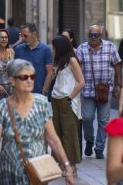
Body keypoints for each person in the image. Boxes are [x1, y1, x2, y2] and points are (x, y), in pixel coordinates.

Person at [0, 59, 75, 185]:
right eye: (24, 77)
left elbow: (53, 139)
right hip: (10, 173)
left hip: (37, 174)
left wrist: (67, 167)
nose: (29, 80)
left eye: (32, 77)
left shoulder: (41, 103)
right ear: (12, 80)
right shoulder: (2, 106)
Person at [76, 25, 122, 159]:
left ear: (101, 36)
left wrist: (119, 85)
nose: (93, 38)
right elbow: (76, 67)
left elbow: (117, 65)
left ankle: (99, 148)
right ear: (88, 36)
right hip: (87, 90)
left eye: (96, 35)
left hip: (104, 90)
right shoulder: (82, 48)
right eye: (91, 35)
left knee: (103, 121)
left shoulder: (110, 47)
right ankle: (89, 140)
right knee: (87, 118)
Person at [51, 36, 85, 174]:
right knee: (57, 133)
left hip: (67, 100)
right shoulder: (59, 61)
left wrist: (69, 98)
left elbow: (81, 82)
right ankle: (60, 163)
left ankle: (71, 166)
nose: (52, 50)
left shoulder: (72, 60)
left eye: (54, 47)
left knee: (69, 133)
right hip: (56, 99)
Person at [14, 22, 53, 95]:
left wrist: (44, 91)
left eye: (25, 35)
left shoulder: (46, 50)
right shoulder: (18, 49)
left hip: (39, 94)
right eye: (21, 35)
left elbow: (50, 73)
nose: (23, 38)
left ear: (34, 34)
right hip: (22, 94)